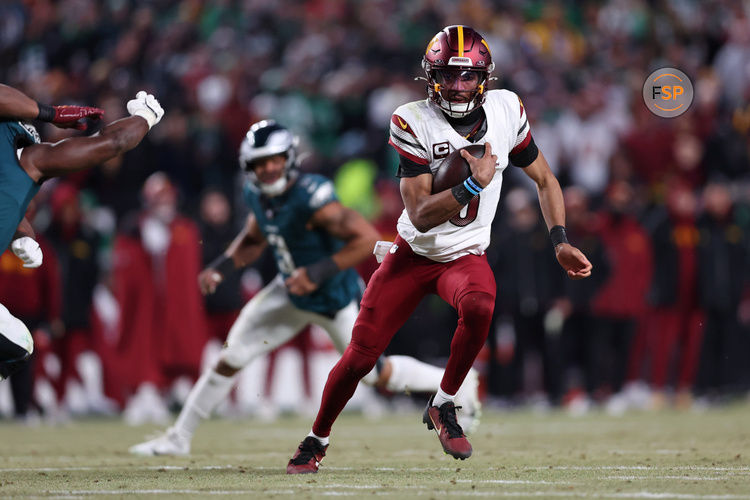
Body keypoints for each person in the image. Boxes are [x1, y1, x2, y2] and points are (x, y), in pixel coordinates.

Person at [286, 25, 592, 474]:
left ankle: (444, 403)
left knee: (482, 306)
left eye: (467, 77)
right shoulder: (411, 118)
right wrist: (473, 182)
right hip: (413, 255)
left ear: (485, 77)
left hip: (466, 256)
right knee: (360, 359)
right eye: (448, 75)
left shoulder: (507, 109)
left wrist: (560, 240)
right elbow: (422, 212)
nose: (457, 85)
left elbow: (545, 178)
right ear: (430, 76)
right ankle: (316, 439)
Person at [129, 119, 481, 456]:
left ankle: (460, 383)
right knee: (229, 357)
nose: (267, 169)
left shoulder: (313, 197)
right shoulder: (256, 193)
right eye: (260, 163)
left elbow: (365, 240)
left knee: (376, 376)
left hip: (333, 296)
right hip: (290, 291)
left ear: (289, 159)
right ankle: (179, 437)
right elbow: (255, 237)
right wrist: (223, 266)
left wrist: (316, 273)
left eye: (274, 161)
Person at [0, 84, 164, 381]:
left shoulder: (17, 176)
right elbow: (112, 142)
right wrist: (145, 117)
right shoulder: (31, 161)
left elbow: (7, 202)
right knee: (17, 344)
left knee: (15, 342)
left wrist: (22, 233)